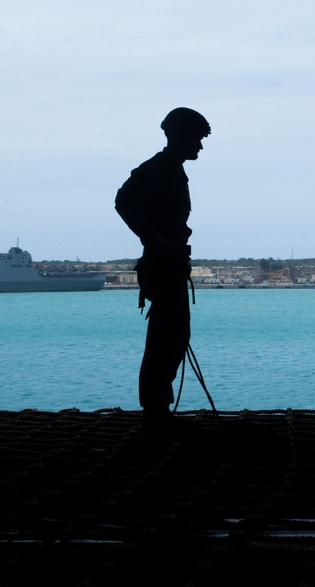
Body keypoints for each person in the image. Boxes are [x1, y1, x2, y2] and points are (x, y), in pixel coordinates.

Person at [115, 107, 211, 426]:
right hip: (163, 264)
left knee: (175, 333)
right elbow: (124, 201)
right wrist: (154, 240)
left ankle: (158, 406)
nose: (199, 146)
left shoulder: (172, 171)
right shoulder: (157, 169)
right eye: (196, 139)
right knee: (165, 335)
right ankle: (155, 410)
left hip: (171, 264)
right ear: (179, 136)